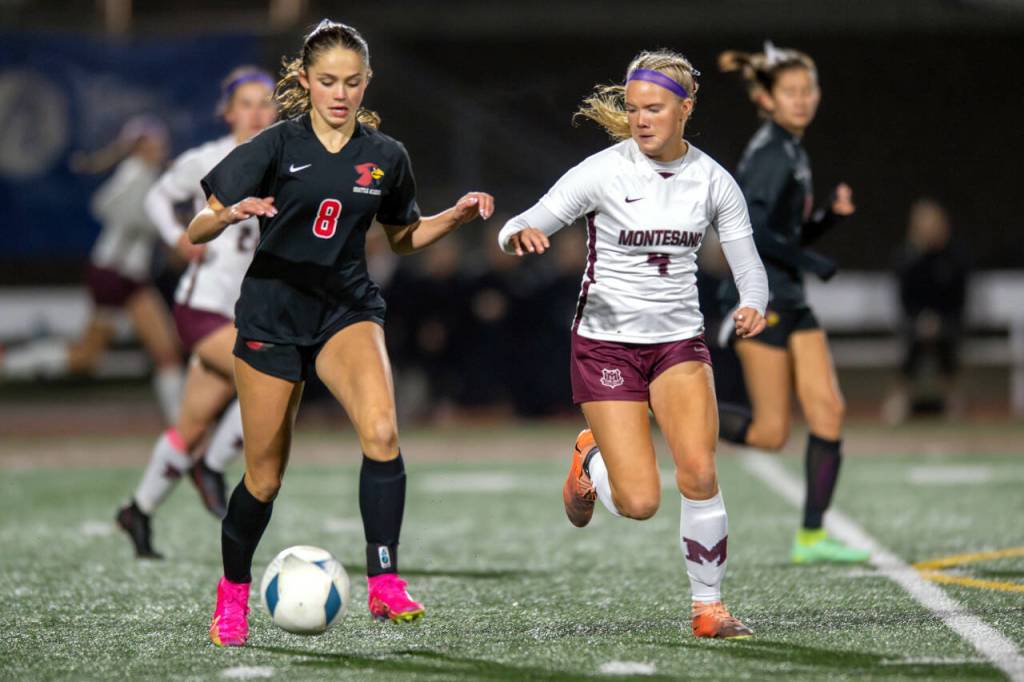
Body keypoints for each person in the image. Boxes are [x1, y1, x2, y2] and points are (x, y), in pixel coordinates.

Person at [186, 20, 494, 646]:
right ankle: (232, 592)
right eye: (327, 81)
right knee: (264, 479)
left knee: (382, 429)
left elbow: (404, 239)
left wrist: (454, 217)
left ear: (366, 82)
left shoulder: (385, 156)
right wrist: (228, 214)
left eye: (352, 82)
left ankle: (384, 581)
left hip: (345, 311)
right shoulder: (276, 144)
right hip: (273, 318)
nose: (340, 92)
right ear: (304, 81)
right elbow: (196, 228)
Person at [499, 49, 769, 640]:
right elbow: (520, 223)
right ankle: (587, 458)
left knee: (699, 471)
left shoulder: (712, 179)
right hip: (606, 348)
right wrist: (521, 235)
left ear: (685, 109)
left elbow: (750, 267)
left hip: (679, 345)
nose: (642, 119)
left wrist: (753, 304)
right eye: (634, 108)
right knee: (641, 501)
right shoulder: (603, 171)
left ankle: (708, 607)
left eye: (654, 108)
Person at [115, 66, 279, 559]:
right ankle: (212, 466)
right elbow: (157, 198)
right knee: (271, 378)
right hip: (203, 306)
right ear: (227, 112)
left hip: (244, 312)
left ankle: (137, 511)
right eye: (245, 103)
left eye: (264, 101)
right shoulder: (207, 158)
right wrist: (179, 240)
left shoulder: (285, 158)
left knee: (189, 428)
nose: (255, 112)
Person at [715, 43, 868, 564]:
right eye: (791, 92)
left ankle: (811, 536)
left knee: (828, 409)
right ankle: (669, 408)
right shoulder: (771, 153)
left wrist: (829, 220)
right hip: (759, 298)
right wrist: (814, 262)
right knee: (770, 432)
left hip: (790, 297)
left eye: (808, 91)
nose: (802, 100)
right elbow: (750, 232)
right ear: (766, 98)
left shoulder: (792, 148)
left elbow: (787, 231)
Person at [1, 117, 184, 422]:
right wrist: (154, 224)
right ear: (139, 147)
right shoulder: (136, 173)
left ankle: (181, 429)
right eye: (153, 143)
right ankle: (9, 362)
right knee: (90, 356)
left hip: (127, 275)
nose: (160, 148)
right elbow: (106, 205)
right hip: (114, 272)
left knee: (160, 354)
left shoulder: (147, 175)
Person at [882, 199, 969, 423]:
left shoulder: (954, 257)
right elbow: (904, 300)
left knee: (945, 341)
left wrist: (938, 321)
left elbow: (959, 300)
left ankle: (952, 400)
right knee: (914, 341)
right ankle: (900, 399)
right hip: (915, 323)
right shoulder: (908, 258)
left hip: (948, 322)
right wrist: (921, 321)